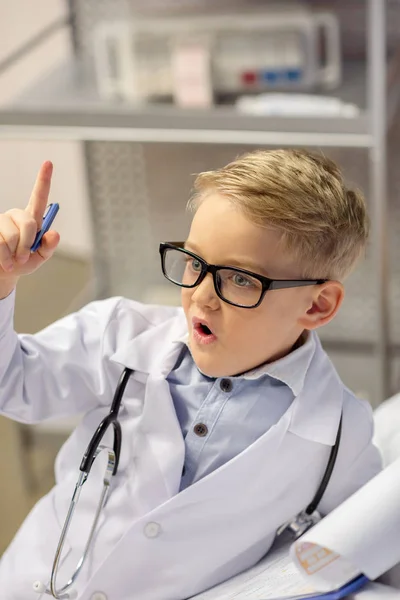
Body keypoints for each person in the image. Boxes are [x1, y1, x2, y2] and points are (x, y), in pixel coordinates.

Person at [0, 150, 381, 600]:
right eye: (195, 263)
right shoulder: (118, 334)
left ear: (317, 306)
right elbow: (13, 383)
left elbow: (349, 559)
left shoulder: (340, 438)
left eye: (240, 279)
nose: (201, 296)